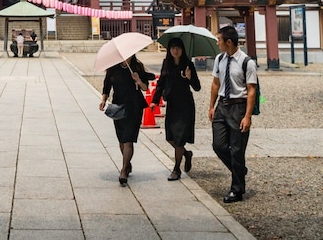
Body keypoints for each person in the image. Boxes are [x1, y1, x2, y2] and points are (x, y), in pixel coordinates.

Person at [209, 25, 258, 203]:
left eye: (219, 40)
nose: (218, 43)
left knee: (237, 150)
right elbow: (215, 83)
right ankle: (239, 170)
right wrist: (211, 106)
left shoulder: (247, 62)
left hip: (239, 106)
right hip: (222, 105)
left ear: (228, 42)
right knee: (218, 145)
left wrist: (247, 116)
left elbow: (251, 90)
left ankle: (237, 190)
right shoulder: (219, 59)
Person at [99, 55, 155, 186]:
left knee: (128, 140)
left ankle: (123, 170)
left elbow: (145, 88)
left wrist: (138, 79)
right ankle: (127, 163)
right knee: (122, 140)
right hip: (119, 107)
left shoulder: (137, 68)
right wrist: (103, 100)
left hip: (134, 107)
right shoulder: (113, 69)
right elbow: (107, 86)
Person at [152, 37, 201, 181]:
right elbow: (161, 83)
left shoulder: (188, 64)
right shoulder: (166, 64)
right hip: (172, 104)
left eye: (178, 47)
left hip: (185, 105)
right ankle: (186, 154)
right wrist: (155, 101)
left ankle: (176, 169)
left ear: (182, 49)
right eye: (172, 47)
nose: (175, 50)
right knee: (170, 137)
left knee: (179, 139)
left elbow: (197, 87)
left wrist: (190, 77)